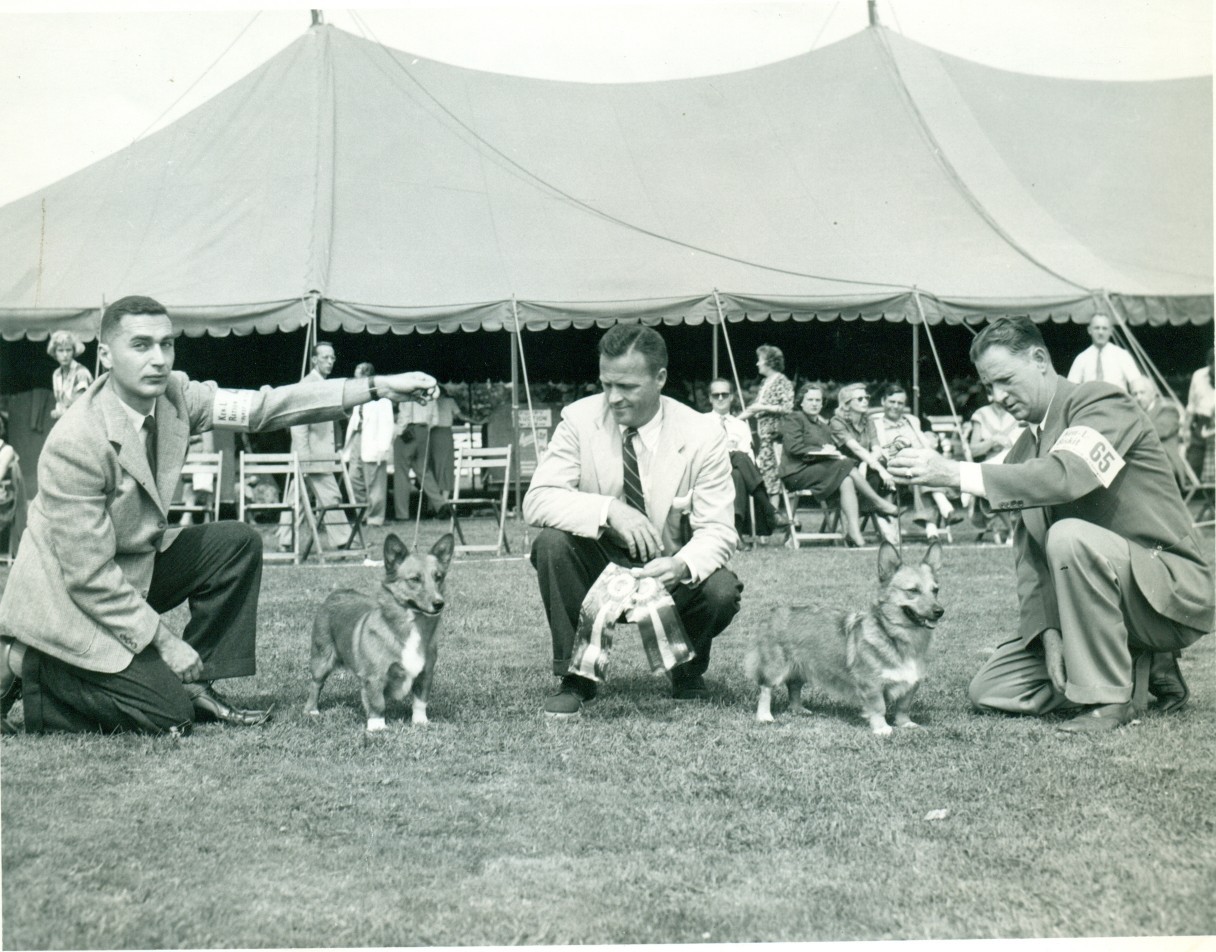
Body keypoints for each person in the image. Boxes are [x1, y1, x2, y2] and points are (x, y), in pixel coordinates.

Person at [0, 294, 437, 736]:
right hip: (68, 597)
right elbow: (88, 576)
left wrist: (378, 387)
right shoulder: (76, 440)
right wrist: (166, 642)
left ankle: (199, 682)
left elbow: (267, 407)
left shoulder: (177, 396)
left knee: (237, 543)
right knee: (165, 715)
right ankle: (26, 662)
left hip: (131, 570)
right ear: (106, 355)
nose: (158, 359)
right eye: (141, 345)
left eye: (166, 345)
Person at [888, 316, 1212, 733]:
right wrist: (1049, 634)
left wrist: (952, 473)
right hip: (1099, 607)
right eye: (988, 387)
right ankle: (1135, 666)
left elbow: (1068, 476)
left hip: (1167, 592)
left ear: (1040, 359)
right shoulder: (1025, 446)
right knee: (991, 688)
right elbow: (1030, 559)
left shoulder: (1100, 402)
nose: (997, 396)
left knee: (1069, 536)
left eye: (1005, 379)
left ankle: (1108, 698)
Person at [524, 325, 742, 717]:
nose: (612, 397)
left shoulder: (703, 433)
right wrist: (610, 510)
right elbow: (538, 499)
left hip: (666, 567)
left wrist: (680, 565)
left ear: (660, 379)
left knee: (721, 588)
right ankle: (577, 677)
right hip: (597, 562)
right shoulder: (577, 419)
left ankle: (687, 670)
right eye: (606, 384)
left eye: (627, 386)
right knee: (551, 543)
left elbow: (720, 530)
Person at [780, 383, 897, 547]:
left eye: (818, 400)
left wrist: (830, 450)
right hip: (796, 473)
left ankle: (854, 533)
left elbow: (830, 450)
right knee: (846, 464)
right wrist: (821, 449)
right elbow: (794, 447)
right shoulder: (794, 418)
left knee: (847, 480)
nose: (814, 403)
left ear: (822, 403)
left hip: (819, 472)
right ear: (801, 402)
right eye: (810, 400)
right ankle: (878, 502)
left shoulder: (823, 426)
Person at [276, 342, 351, 552]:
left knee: (296, 500)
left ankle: (285, 539)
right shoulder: (308, 384)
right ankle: (343, 539)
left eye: (332, 357)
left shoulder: (322, 383)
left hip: (319, 455)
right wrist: (306, 460)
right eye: (325, 357)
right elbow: (298, 426)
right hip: (311, 457)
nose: (330, 362)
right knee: (330, 497)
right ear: (314, 360)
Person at [704, 377, 788, 539]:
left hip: (735, 470)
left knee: (738, 473)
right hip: (711, 469)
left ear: (732, 397)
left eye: (724, 394)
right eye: (716, 395)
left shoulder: (740, 425)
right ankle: (770, 510)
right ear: (710, 398)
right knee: (738, 456)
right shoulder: (701, 421)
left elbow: (749, 456)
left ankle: (736, 535)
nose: (720, 398)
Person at [870, 383, 960, 532]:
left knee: (919, 473)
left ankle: (931, 530)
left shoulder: (912, 420)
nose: (896, 406)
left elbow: (925, 444)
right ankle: (944, 506)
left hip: (919, 464)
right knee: (919, 472)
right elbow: (881, 450)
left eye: (900, 403)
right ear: (883, 401)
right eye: (892, 402)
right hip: (895, 466)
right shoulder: (875, 424)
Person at [828, 382, 899, 544]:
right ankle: (881, 513)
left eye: (866, 397)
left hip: (864, 468)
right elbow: (856, 449)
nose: (865, 401)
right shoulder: (837, 422)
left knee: (885, 466)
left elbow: (877, 449)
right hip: (841, 472)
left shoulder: (868, 421)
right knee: (880, 472)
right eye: (859, 399)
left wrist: (866, 464)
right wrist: (877, 468)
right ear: (847, 404)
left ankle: (874, 512)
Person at [736, 345, 793, 507]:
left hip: (776, 436)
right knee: (767, 473)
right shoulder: (765, 383)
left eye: (760, 360)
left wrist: (764, 408)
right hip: (764, 436)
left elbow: (787, 408)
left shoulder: (783, 382)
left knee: (772, 475)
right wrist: (732, 420)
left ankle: (773, 515)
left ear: (769, 362)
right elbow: (754, 408)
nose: (757, 364)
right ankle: (771, 516)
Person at [342, 362, 395, 526]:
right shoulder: (357, 398)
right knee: (353, 478)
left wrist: (383, 448)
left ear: (367, 378)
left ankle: (375, 517)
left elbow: (388, 424)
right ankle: (362, 513)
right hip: (357, 439)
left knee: (375, 483)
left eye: (358, 378)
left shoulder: (382, 399)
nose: (356, 381)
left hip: (374, 442)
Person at [392, 394, 449, 520]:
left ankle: (402, 514)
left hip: (408, 430)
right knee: (423, 470)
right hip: (424, 431)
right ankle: (440, 504)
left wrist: (398, 432)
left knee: (401, 472)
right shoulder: (431, 398)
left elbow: (405, 416)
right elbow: (435, 420)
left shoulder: (408, 395)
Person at [1129, 375, 1187, 488]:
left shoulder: (1168, 410)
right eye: (1134, 394)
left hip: (1166, 463)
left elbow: (1157, 431)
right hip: (1142, 463)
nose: (1138, 397)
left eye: (1142, 392)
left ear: (1153, 393)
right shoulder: (1132, 414)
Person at [1066, 313, 1140, 392]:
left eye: (1104, 328)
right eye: (1097, 328)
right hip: (1091, 402)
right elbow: (1070, 388)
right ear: (1089, 330)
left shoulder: (1122, 355)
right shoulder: (1081, 358)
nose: (1100, 332)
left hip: (1116, 402)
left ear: (1111, 331)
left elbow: (1137, 384)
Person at [48, 329, 94, 421]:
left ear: (74, 351)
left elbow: (80, 409)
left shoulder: (81, 373)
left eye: (68, 350)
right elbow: (60, 403)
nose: (65, 354)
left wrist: (59, 414)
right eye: (60, 350)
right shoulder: (56, 374)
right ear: (54, 353)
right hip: (65, 424)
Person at [1185, 347, 1214, 482]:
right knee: (1193, 464)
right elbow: (1191, 406)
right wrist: (1185, 430)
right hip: (1201, 422)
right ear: (1209, 364)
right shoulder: (1198, 376)